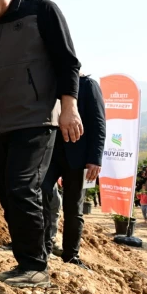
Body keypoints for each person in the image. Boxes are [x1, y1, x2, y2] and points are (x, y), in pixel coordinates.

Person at [0, 0, 83, 288]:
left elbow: (67, 61)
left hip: (35, 118)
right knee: (6, 192)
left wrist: (69, 107)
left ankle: (36, 266)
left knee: (22, 186)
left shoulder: (40, 11)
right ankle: (24, 264)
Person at [42, 73, 105, 268]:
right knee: (40, 196)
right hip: (49, 155)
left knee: (74, 208)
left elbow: (98, 123)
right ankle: (42, 249)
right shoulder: (49, 83)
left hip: (78, 158)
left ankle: (71, 255)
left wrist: (95, 159)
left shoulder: (88, 85)